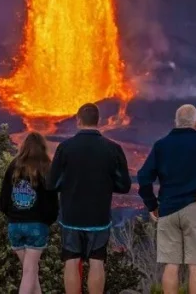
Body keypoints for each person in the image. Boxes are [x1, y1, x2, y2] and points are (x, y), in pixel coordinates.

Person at [137, 104, 196, 294]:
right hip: (195, 207)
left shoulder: (161, 145)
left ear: (175, 123)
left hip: (168, 209)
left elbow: (144, 176)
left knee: (171, 265)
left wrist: (152, 204)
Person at [47, 103, 131, 294]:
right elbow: (124, 185)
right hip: (99, 216)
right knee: (97, 261)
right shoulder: (113, 148)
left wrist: (68, 186)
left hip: (71, 217)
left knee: (71, 261)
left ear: (78, 121)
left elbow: (51, 184)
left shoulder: (65, 148)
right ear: (98, 121)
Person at [0, 132, 59, 294]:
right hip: (36, 226)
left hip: (15, 226)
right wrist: (48, 220)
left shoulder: (14, 166)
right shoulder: (46, 167)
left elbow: (4, 199)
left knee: (31, 271)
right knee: (30, 271)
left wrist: (11, 215)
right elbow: (51, 201)